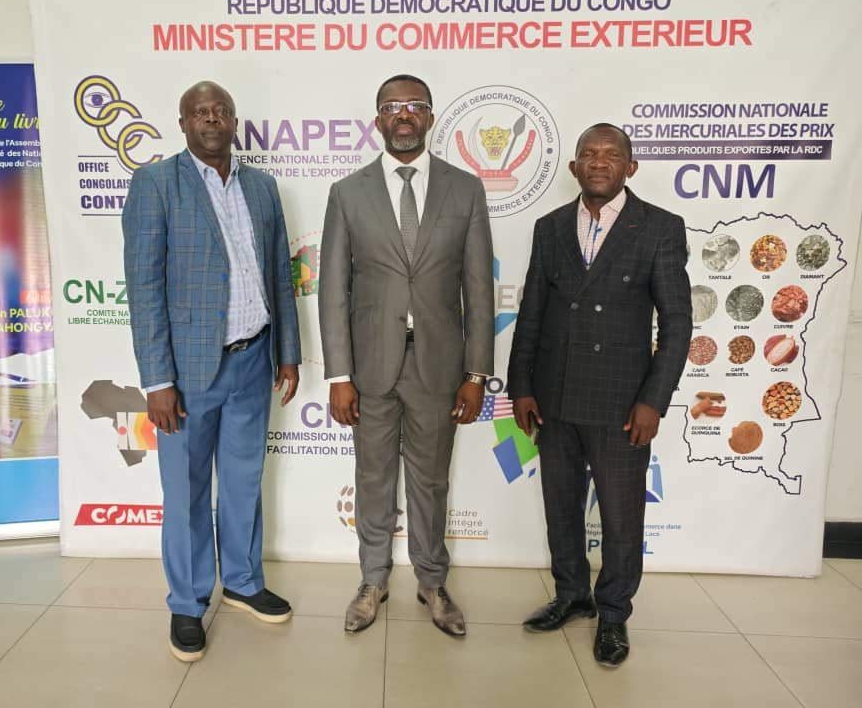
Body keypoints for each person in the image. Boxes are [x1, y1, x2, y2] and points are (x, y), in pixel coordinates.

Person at [122, 80, 301, 663]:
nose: (211, 119)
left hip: (253, 359)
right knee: (187, 491)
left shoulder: (261, 186)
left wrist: (288, 351)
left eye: (221, 111)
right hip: (187, 373)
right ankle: (188, 601)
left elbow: (279, 274)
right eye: (200, 112)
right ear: (183, 123)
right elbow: (144, 287)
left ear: (233, 121)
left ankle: (244, 581)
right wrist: (157, 382)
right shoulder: (156, 184)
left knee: (245, 480)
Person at [507, 123, 692, 667]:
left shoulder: (659, 227)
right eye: (588, 153)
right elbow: (532, 313)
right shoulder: (550, 227)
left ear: (630, 167)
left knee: (620, 516)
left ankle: (612, 613)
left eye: (612, 154)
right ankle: (571, 596)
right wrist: (522, 386)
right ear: (574, 167)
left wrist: (654, 400)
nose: (599, 161)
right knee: (561, 506)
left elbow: (677, 323)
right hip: (554, 394)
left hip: (621, 401)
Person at [319, 74, 494, 637]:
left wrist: (476, 373)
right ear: (377, 120)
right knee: (372, 477)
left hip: (439, 367)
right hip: (369, 367)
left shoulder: (465, 190)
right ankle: (372, 580)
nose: (403, 114)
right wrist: (339, 375)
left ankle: (432, 582)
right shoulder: (348, 193)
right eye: (392, 106)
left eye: (414, 105)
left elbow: (479, 291)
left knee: (431, 480)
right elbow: (332, 291)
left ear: (430, 117)